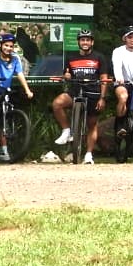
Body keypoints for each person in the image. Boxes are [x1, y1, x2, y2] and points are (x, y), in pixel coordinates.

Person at [51, 28, 111, 164]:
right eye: (82, 40)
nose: (85, 42)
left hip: (93, 93)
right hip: (75, 92)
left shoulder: (99, 57)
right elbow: (67, 74)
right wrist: (66, 76)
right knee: (57, 103)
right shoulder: (71, 57)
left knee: (92, 124)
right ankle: (67, 130)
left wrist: (102, 98)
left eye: (88, 40)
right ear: (79, 42)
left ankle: (89, 154)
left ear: (92, 42)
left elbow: (104, 78)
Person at [0, 33, 34, 162]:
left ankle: (3, 149)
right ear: (0, 45)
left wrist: (27, 90)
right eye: (6, 45)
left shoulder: (15, 58)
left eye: (11, 46)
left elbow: (20, 74)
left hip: (4, 89)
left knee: (2, 118)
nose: (8, 48)